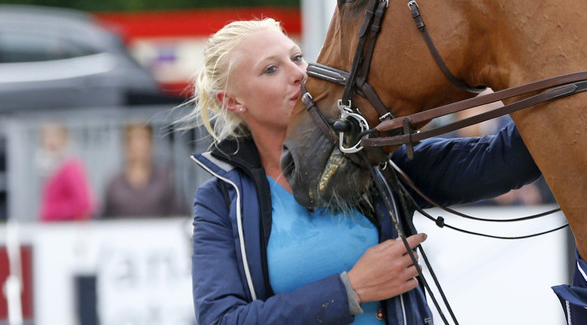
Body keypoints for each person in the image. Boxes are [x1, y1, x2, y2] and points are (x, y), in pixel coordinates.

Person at [189, 19, 542, 324]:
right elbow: (221, 320)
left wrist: (547, 75)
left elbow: (501, 162)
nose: (299, 73)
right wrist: (351, 289)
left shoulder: (369, 155)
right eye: (271, 69)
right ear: (232, 101)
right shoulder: (220, 200)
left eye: (297, 57)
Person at [102, 122, 186, 218]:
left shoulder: (165, 179)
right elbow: (105, 218)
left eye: (142, 139)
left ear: (151, 144)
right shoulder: (114, 183)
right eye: (132, 140)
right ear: (125, 145)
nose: (138, 145)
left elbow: (179, 214)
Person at [37, 122, 95, 221]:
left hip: (67, 230)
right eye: (46, 137)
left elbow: (84, 204)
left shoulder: (70, 167)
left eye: (54, 136)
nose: (50, 142)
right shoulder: (49, 168)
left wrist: (52, 212)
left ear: (64, 138)